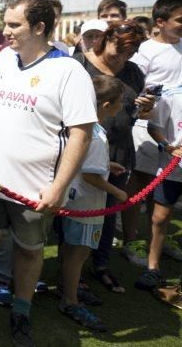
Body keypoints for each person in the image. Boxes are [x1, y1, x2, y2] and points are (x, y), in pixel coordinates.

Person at [0, 0, 97, 347]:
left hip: (35, 187)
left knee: (29, 252)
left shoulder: (68, 70)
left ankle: (21, 310)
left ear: (40, 27)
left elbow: (82, 132)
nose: (6, 31)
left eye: (15, 25)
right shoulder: (1, 62)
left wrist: (59, 187)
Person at [73, 20, 155, 288]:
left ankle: (101, 263)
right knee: (77, 211)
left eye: (130, 53)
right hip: (82, 149)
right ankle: (74, 270)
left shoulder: (133, 72)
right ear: (104, 38)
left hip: (119, 151)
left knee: (109, 212)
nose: (122, 58)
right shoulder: (77, 65)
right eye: (118, 50)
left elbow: (134, 112)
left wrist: (145, 108)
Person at [57, 75, 126, 332]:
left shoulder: (83, 126)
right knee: (79, 253)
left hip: (73, 199)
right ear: (107, 105)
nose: (122, 107)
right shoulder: (97, 136)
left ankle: (67, 288)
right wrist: (117, 193)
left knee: (69, 248)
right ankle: (70, 300)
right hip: (87, 205)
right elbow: (90, 175)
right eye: (120, 102)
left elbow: (83, 163)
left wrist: (107, 165)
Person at [129, 0, 182, 268]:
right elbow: (134, 91)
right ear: (160, 22)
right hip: (146, 128)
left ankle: (157, 240)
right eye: (179, 20)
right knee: (140, 185)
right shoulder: (145, 51)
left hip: (176, 133)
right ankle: (131, 239)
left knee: (165, 192)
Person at [138, 84, 182, 292]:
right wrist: (168, 146)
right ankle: (153, 268)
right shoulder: (172, 96)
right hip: (171, 171)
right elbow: (153, 127)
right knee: (159, 219)